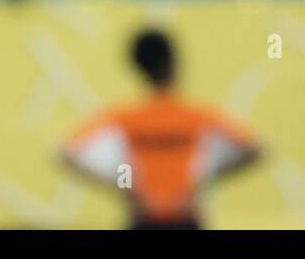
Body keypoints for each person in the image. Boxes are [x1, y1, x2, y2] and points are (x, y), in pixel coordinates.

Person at [61, 29, 262, 230]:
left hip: (144, 217)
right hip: (185, 216)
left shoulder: (124, 118)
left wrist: (128, 189)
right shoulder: (197, 116)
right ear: (174, 63)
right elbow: (254, 150)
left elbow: (68, 154)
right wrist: (200, 183)